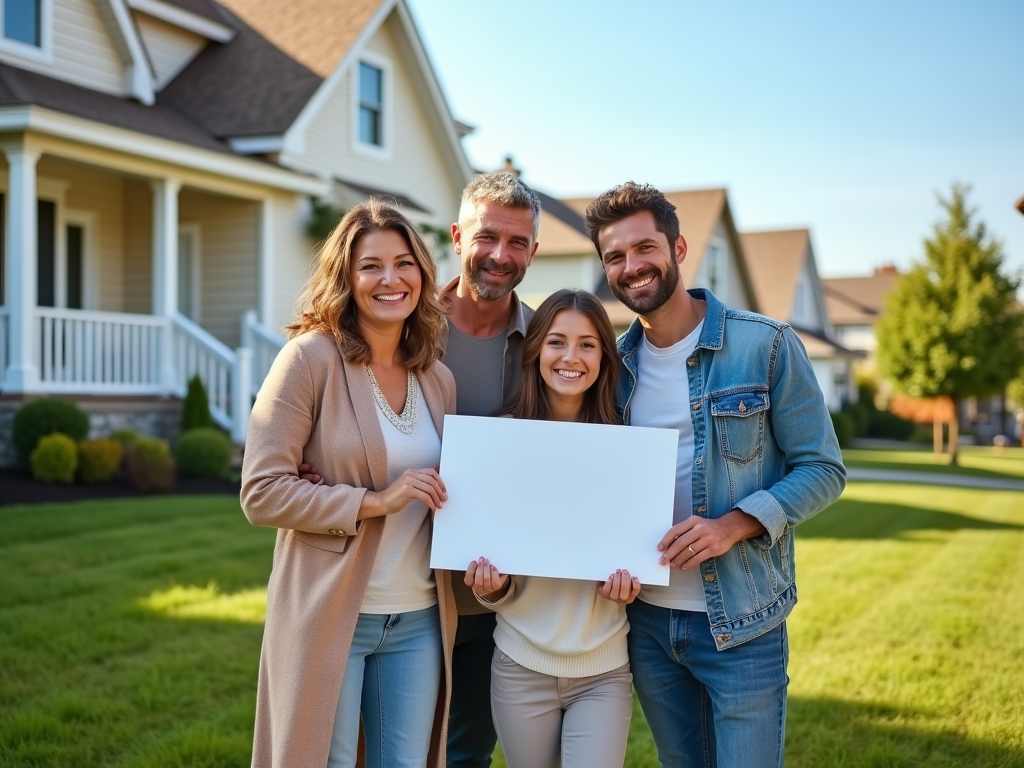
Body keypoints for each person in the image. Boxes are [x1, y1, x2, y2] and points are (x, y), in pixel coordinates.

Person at [584, 183, 847, 768]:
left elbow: (824, 469)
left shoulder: (767, 346)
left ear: (678, 248)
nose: (632, 267)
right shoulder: (610, 366)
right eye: (615, 256)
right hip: (646, 623)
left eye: (644, 248)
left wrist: (733, 524)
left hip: (743, 621)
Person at [298, 172, 543, 768]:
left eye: (517, 244)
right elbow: (307, 432)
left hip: (496, 596)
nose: (499, 256)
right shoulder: (396, 316)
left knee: (458, 754)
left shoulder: (548, 342)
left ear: (534, 252)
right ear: (458, 237)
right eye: (487, 237)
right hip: (394, 587)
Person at [240, 200, 457, 768]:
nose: (390, 279)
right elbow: (260, 491)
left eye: (404, 263)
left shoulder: (438, 379)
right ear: (347, 277)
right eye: (371, 266)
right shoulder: (308, 360)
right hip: (331, 611)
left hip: (419, 619)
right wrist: (373, 501)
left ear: (422, 274)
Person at [465, 288, 640, 768]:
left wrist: (631, 588)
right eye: (557, 341)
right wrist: (491, 589)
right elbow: (489, 567)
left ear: (605, 357)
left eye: (587, 344)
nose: (571, 357)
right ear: (536, 349)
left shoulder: (629, 450)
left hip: (603, 669)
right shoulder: (498, 441)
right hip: (520, 664)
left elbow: (638, 556)